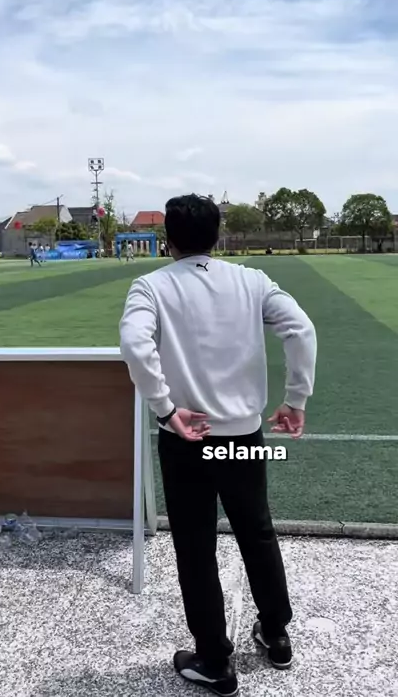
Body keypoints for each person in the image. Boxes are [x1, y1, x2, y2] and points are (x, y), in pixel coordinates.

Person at [120, 194, 317, 696]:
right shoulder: (251, 280)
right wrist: (295, 398)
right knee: (257, 531)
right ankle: (275, 634)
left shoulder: (152, 286)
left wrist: (165, 408)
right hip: (243, 436)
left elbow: (135, 345)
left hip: (186, 438)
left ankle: (214, 660)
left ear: (168, 239)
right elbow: (301, 329)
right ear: (217, 236)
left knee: (195, 547)